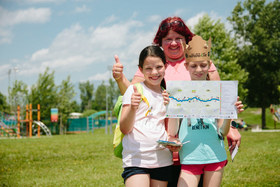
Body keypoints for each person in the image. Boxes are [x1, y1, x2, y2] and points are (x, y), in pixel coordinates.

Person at [112, 16, 242, 186]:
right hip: (164, 149)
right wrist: (120, 79)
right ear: (161, 42)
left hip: (198, 147)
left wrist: (231, 126)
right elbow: (136, 95)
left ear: (186, 40)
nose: (173, 43)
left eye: (178, 38)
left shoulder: (199, 61)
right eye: (168, 39)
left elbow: (218, 100)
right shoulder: (155, 63)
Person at [167, 35, 244, 187]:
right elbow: (172, 130)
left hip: (215, 155)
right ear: (186, 66)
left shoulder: (219, 92)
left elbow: (222, 132)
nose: (199, 70)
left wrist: (229, 114)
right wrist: (171, 107)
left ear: (209, 65)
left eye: (203, 65)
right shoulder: (178, 92)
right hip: (190, 156)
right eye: (194, 66)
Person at [120, 45, 173, 187]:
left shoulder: (168, 95)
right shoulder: (134, 90)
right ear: (141, 69)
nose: (154, 72)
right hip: (136, 160)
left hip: (162, 160)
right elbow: (124, 128)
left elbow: (171, 129)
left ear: (165, 66)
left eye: (158, 67)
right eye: (148, 68)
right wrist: (132, 107)